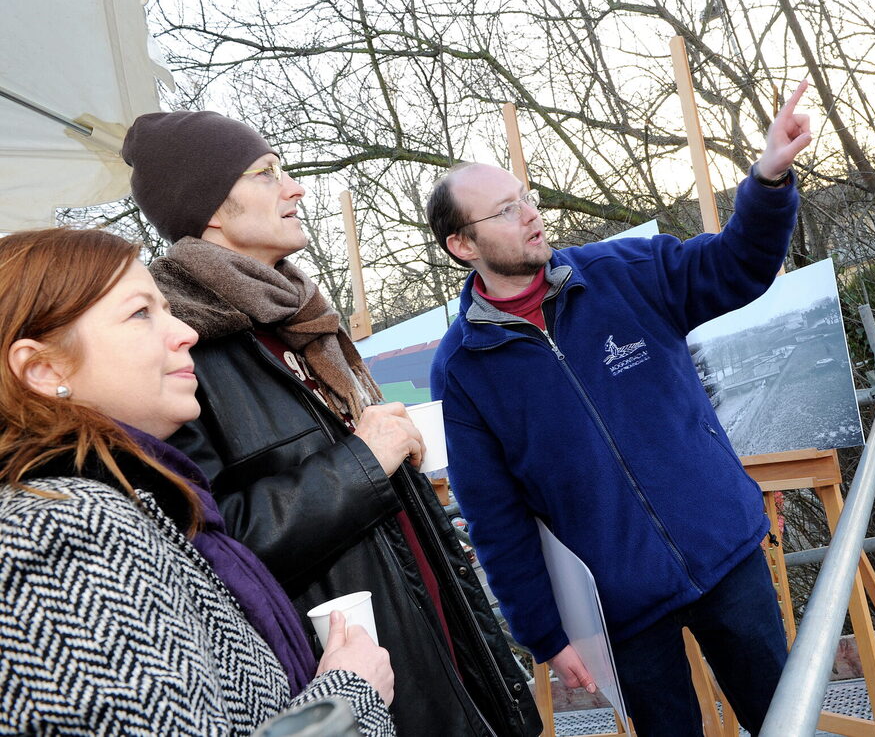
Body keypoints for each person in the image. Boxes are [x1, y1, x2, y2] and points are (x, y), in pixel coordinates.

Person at [121, 111, 541, 737]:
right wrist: (364, 461)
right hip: (349, 693)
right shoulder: (178, 355)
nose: (295, 188)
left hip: (439, 658)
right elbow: (207, 547)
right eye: (267, 174)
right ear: (208, 206)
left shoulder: (299, 321)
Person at [428, 83, 812, 735]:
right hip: (618, 610)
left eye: (527, 198)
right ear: (463, 244)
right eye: (505, 210)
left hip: (726, 553)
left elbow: (735, 266)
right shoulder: (464, 368)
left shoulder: (623, 271)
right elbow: (495, 517)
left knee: (784, 721)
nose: (530, 215)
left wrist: (768, 182)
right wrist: (545, 634)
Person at [0, 227, 394, 735]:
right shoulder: (63, 529)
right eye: (140, 312)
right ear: (40, 368)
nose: (186, 331)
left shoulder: (125, 501)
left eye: (166, 307)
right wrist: (348, 698)